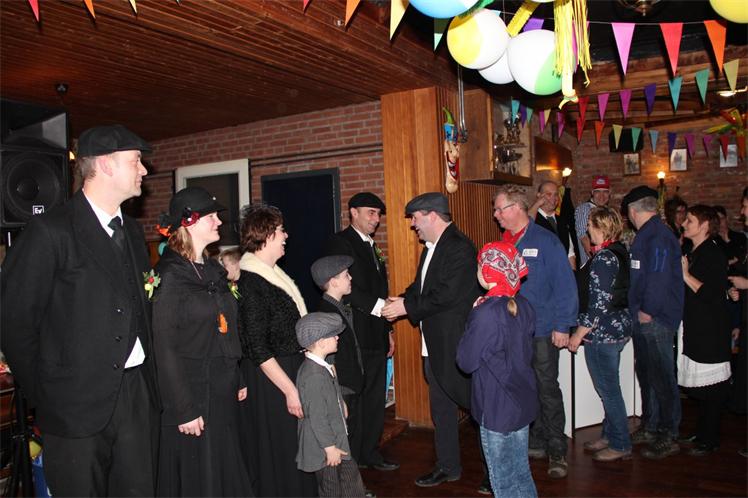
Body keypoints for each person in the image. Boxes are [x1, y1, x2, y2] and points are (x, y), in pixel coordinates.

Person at [1, 125, 160, 496]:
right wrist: (49, 395)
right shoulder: (51, 231)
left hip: (135, 396)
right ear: (105, 164)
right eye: (136, 161)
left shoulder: (132, 232)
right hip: (74, 406)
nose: (144, 170)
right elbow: (14, 322)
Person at [152, 187, 253, 496]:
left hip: (221, 385)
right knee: (201, 475)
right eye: (211, 217)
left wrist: (237, 375)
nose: (219, 222)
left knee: (223, 467)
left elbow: (227, 326)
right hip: (192, 390)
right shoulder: (170, 275)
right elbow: (164, 346)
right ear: (189, 222)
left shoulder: (212, 270)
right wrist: (183, 408)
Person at [382, 192, 481, 487]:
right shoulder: (431, 248)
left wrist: (407, 308)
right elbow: (421, 287)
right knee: (441, 409)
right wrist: (402, 299)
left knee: (477, 408)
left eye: (415, 218)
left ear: (432, 215)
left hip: (455, 344)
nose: (413, 224)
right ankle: (448, 466)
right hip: (434, 343)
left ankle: (494, 472)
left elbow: (446, 295)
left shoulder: (460, 247)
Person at [492, 184, 578, 479]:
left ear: (516, 208)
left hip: (543, 330)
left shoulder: (545, 241)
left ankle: (557, 450)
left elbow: (566, 285)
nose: (496, 215)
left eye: (499, 209)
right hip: (514, 332)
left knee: (547, 389)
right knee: (525, 387)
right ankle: (537, 440)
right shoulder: (504, 243)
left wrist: (562, 326)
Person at [236, 204, 317, 497]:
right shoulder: (251, 281)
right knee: (280, 452)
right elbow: (258, 347)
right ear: (267, 234)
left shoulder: (272, 274)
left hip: (288, 368)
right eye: (281, 230)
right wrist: (290, 390)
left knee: (295, 448)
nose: (286, 236)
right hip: (270, 380)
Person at [456, 242, 538, 498]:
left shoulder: (485, 313)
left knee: (503, 481)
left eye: (480, 265)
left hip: (496, 407)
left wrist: (473, 317)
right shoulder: (524, 304)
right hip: (522, 400)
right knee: (521, 472)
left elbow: (466, 361)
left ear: (488, 271)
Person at [323, 192, 398, 471]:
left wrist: (388, 329)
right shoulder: (340, 242)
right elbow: (347, 290)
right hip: (355, 335)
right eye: (371, 213)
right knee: (355, 401)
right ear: (353, 212)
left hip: (376, 333)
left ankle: (371, 452)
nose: (376, 219)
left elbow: (381, 288)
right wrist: (383, 308)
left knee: (375, 398)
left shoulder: (372, 245)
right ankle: (352, 459)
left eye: (378, 214)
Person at [568, 207, 633, 462]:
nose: (587, 230)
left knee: (609, 391)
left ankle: (620, 443)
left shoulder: (605, 258)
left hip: (603, 332)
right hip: (616, 327)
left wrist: (578, 335)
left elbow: (599, 305)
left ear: (601, 228)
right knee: (609, 387)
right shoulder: (619, 251)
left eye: (590, 226)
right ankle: (609, 434)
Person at [624, 185, 684, 460]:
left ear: (632, 210)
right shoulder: (647, 234)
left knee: (662, 376)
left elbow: (658, 279)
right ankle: (651, 425)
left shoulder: (657, 236)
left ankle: (668, 433)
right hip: (644, 317)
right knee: (647, 374)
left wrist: (647, 310)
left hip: (655, 319)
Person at [678, 205, 732, 457]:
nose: (683, 224)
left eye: (689, 221)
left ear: (704, 226)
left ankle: (710, 439)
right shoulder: (695, 251)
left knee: (713, 387)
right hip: (698, 326)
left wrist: (685, 275)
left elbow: (712, 293)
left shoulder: (713, 253)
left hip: (711, 329)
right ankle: (701, 432)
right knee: (703, 387)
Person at [295, 312, 367, 498]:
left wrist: (340, 402)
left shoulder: (321, 366)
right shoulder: (314, 375)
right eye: (333, 335)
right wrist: (329, 448)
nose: (337, 338)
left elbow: (328, 397)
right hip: (324, 450)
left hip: (336, 441)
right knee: (332, 489)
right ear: (321, 342)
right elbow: (317, 418)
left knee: (351, 482)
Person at [529, 180, 578, 270]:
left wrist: (573, 274)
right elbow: (525, 225)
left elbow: (570, 253)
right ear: (539, 196)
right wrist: (538, 203)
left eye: (556, 194)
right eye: (548, 194)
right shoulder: (533, 220)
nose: (553, 198)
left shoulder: (562, 221)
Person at [574, 175, 611, 268]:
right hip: (591, 264)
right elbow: (583, 236)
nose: (602, 196)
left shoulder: (606, 211)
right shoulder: (585, 209)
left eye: (605, 192)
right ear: (592, 192)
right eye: (598, 191)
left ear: (609, 193)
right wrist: (596, 260)